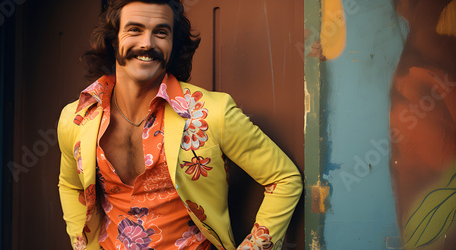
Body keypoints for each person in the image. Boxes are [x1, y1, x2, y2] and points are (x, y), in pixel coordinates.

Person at [57, 0, 302, 249]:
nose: (147, 43)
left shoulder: (213, 113)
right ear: (112, 40)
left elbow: (284, 179)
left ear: (173, 46)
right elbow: (70, 185)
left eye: (161, 32)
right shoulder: (76, 118)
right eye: (134, 30)